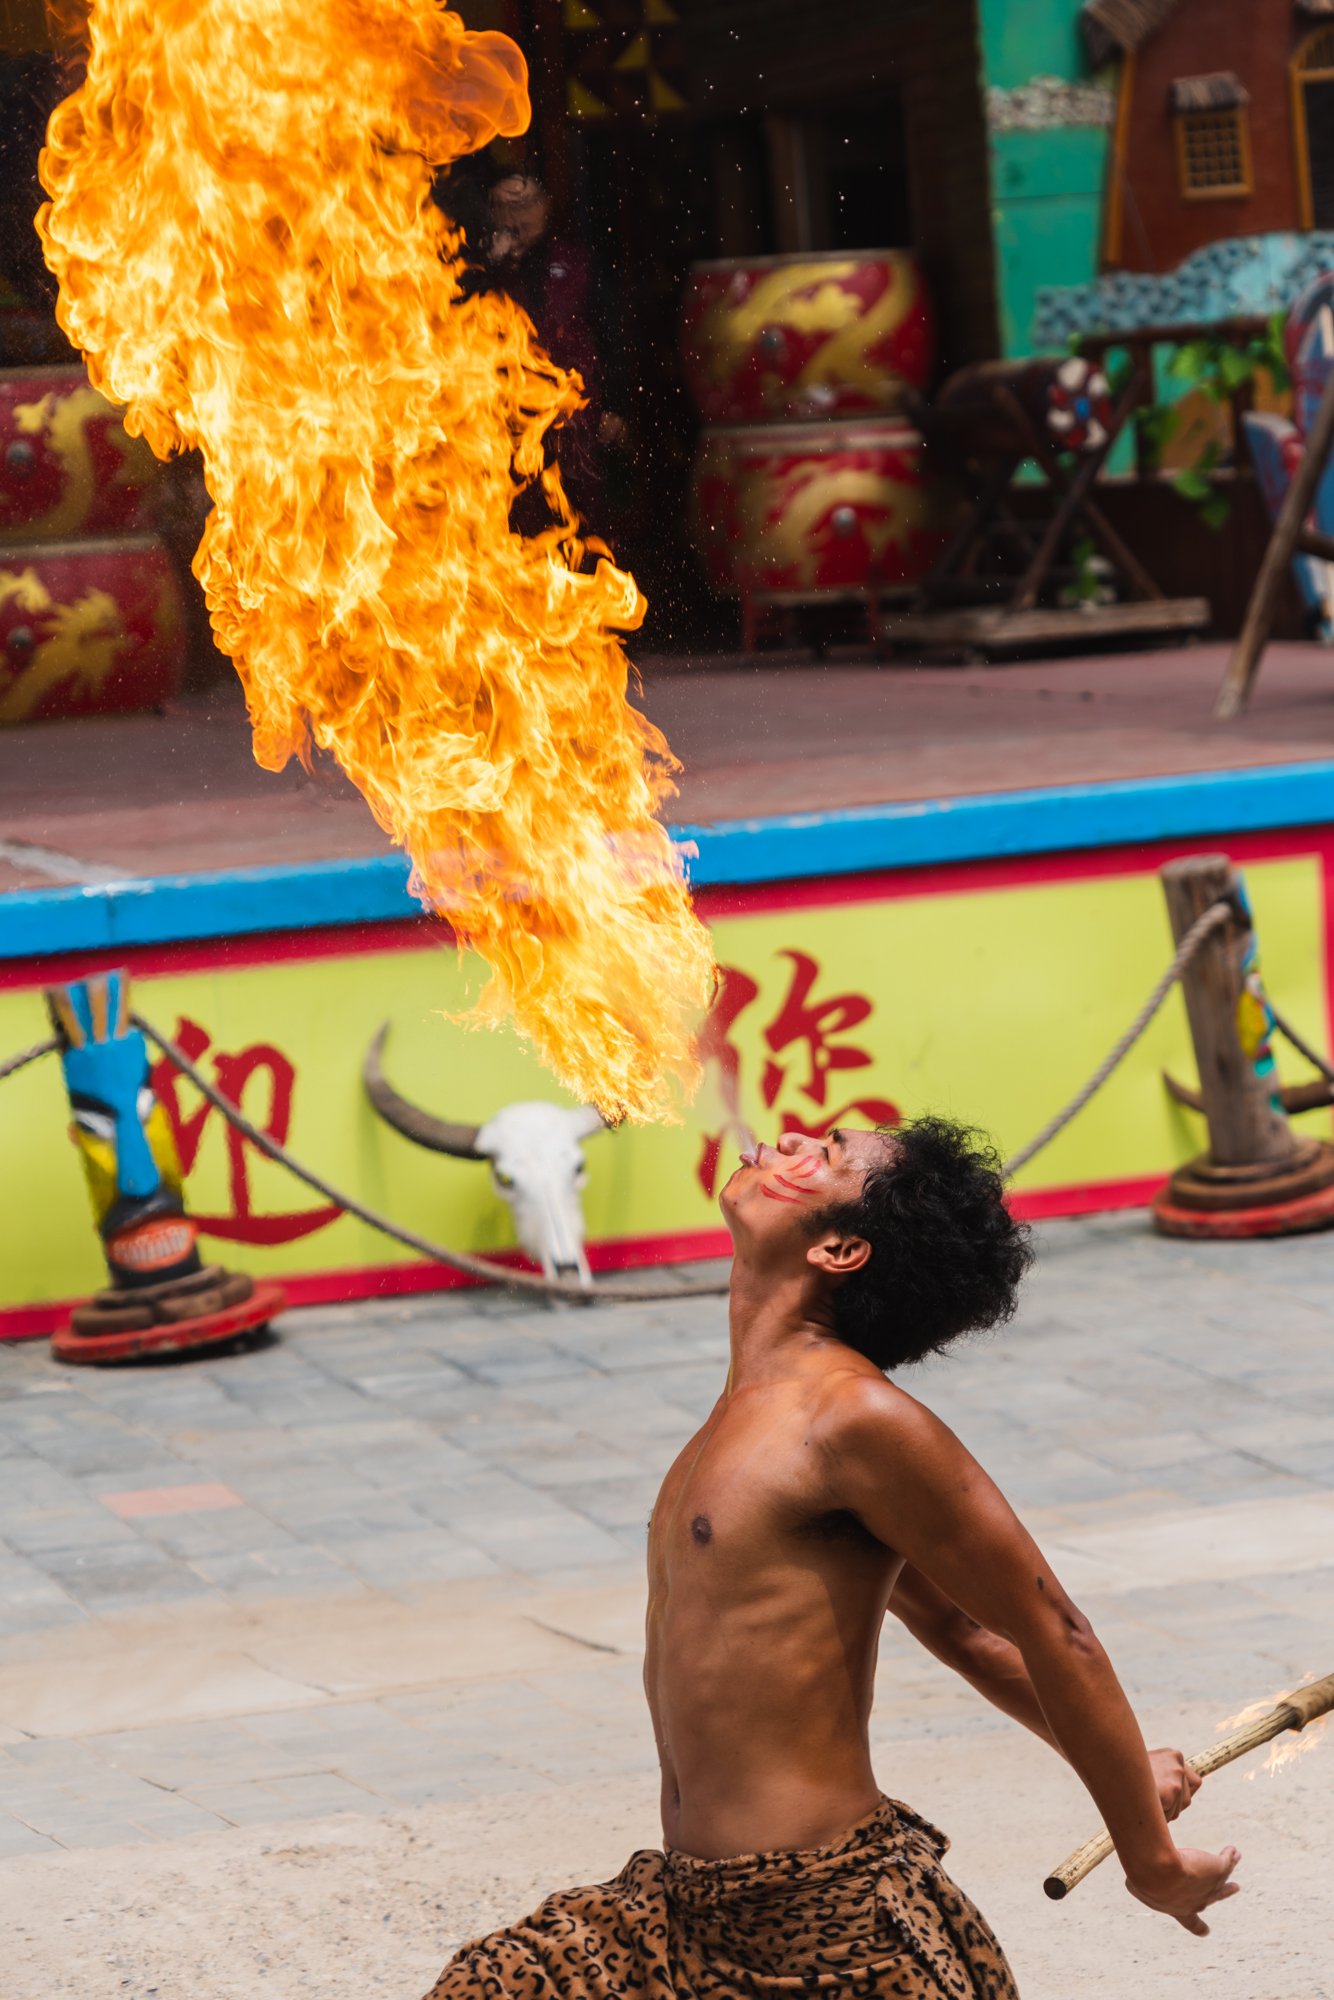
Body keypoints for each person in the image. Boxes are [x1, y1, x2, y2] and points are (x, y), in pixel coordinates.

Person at [423, 1118, 1241, 2000]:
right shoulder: (744, 1414)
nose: (786, 1138)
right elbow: (961, 1632)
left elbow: (1053, 1630)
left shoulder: (855, 1420)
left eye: (828, 1153)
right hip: (685, 1909)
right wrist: (1125, 1768)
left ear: (843, 1248)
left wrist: (1147, 1857)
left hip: (829, 1922)